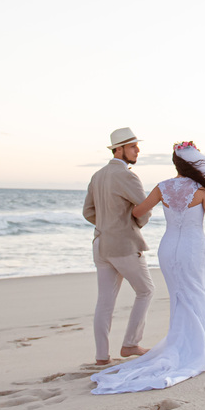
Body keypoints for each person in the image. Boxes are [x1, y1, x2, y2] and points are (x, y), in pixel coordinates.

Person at [89, 141, 205, 394]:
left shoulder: (162, 187)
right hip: (192, 247)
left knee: (178, 296)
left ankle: (182, 342)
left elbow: (137, 212)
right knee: (197, 291)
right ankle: (204, 347)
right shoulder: (201, 190)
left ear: (175, 164)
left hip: (168, 247)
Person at [83, 127, 156, 366]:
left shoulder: (97, 175)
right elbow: (144, 207)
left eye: (136, 146)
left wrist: (107, 224)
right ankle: (131, 343)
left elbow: (88, 212)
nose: (137, 150)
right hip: (123, 244)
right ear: (119, 149)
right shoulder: (126, 175)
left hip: (100, 243)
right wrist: (132, 224)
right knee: (146, 290)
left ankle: (102, 357)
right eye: (133, 146)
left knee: (104, 301)